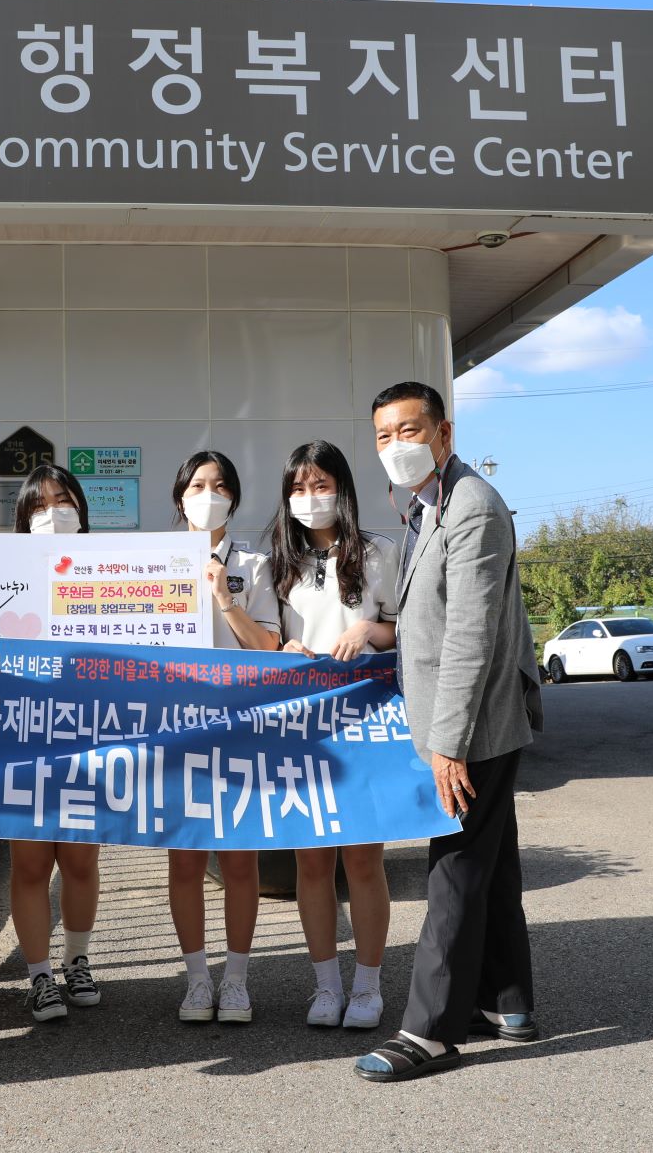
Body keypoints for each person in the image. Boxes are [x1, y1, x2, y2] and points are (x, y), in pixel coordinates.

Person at [353, 382, 545, 1084]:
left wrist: (447, 744)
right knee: (489, 869)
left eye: (408, 430)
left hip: (472, 728)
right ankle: (505, 1004)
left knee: (454, 872)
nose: (395, 446)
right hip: (463, 722)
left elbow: (469, 634)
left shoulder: (472, 508)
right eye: (382, 435)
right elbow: (432, 615)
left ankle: (429, 1031)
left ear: (443, 432)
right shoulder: (427, 506)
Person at [268, 441, 399, 1033]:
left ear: (343, 489)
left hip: (365, 722)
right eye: (298, 488)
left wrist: (371, 628)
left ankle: (368, 986)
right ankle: (325, 985)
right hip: (299, 725)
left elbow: (405, 630)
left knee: (363, 861)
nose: (309, 498)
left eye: (320, 485)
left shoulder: (379, 553)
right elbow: (265, 638)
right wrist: (283, 648)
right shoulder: (279, 560)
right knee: (311, 864)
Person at [165, 450, 280, 1026]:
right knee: (184, 861)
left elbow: (269, 649)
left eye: (219, 485)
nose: (207, 494)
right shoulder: (149, 562)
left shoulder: (254, 564)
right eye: (197, 485)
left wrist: (226, 601)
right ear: (180, 495)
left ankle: (235, 979)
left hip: (240, 728)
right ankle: (196, 979)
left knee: (239, 861)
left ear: (233, 496)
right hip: (177, 729)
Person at [8, 464, 102, 1022]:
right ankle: (39, 974)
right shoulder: (1, 572)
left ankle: (77, 960)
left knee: (82, 862)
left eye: (63, 500)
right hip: (20, 735)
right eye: (40, 505)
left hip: (86, 733)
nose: (53, 513)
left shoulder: (109, 569)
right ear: (23, 519)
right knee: (29, 864)